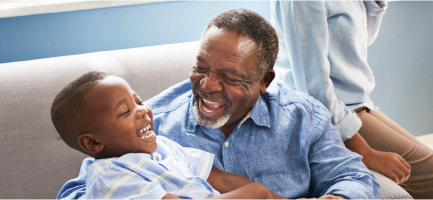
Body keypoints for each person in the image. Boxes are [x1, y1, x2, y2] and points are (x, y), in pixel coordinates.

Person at [57, 9, 380, 199]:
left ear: (264, 82)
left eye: (229, 76)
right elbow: (83, 188)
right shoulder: (150, 127)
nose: (208, 85)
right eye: (201, 67)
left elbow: (353, 176)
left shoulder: (303, 117)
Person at [269, 0, 433, 199]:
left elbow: (362, 36)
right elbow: (314, 88)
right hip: (327, 113)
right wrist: (367, 152)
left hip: (358, 104)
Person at [50, 72, 282, 200]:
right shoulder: (111, 180)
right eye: (125, 111)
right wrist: (255, 194)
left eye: (138, 101)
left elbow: (222, 180)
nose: (142, 110)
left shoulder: (163, 146)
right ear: (92, 142)